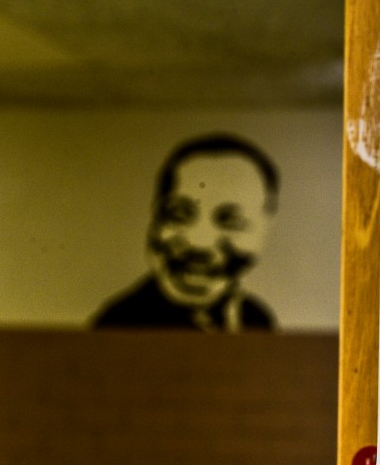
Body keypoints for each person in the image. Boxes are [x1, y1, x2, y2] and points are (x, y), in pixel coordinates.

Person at [93, 134, 278, 331]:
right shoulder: (118, 324)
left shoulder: (256, 321)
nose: (199, 242)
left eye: (231, 222)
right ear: (155, 220)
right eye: (179, 215)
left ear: (263, 230)